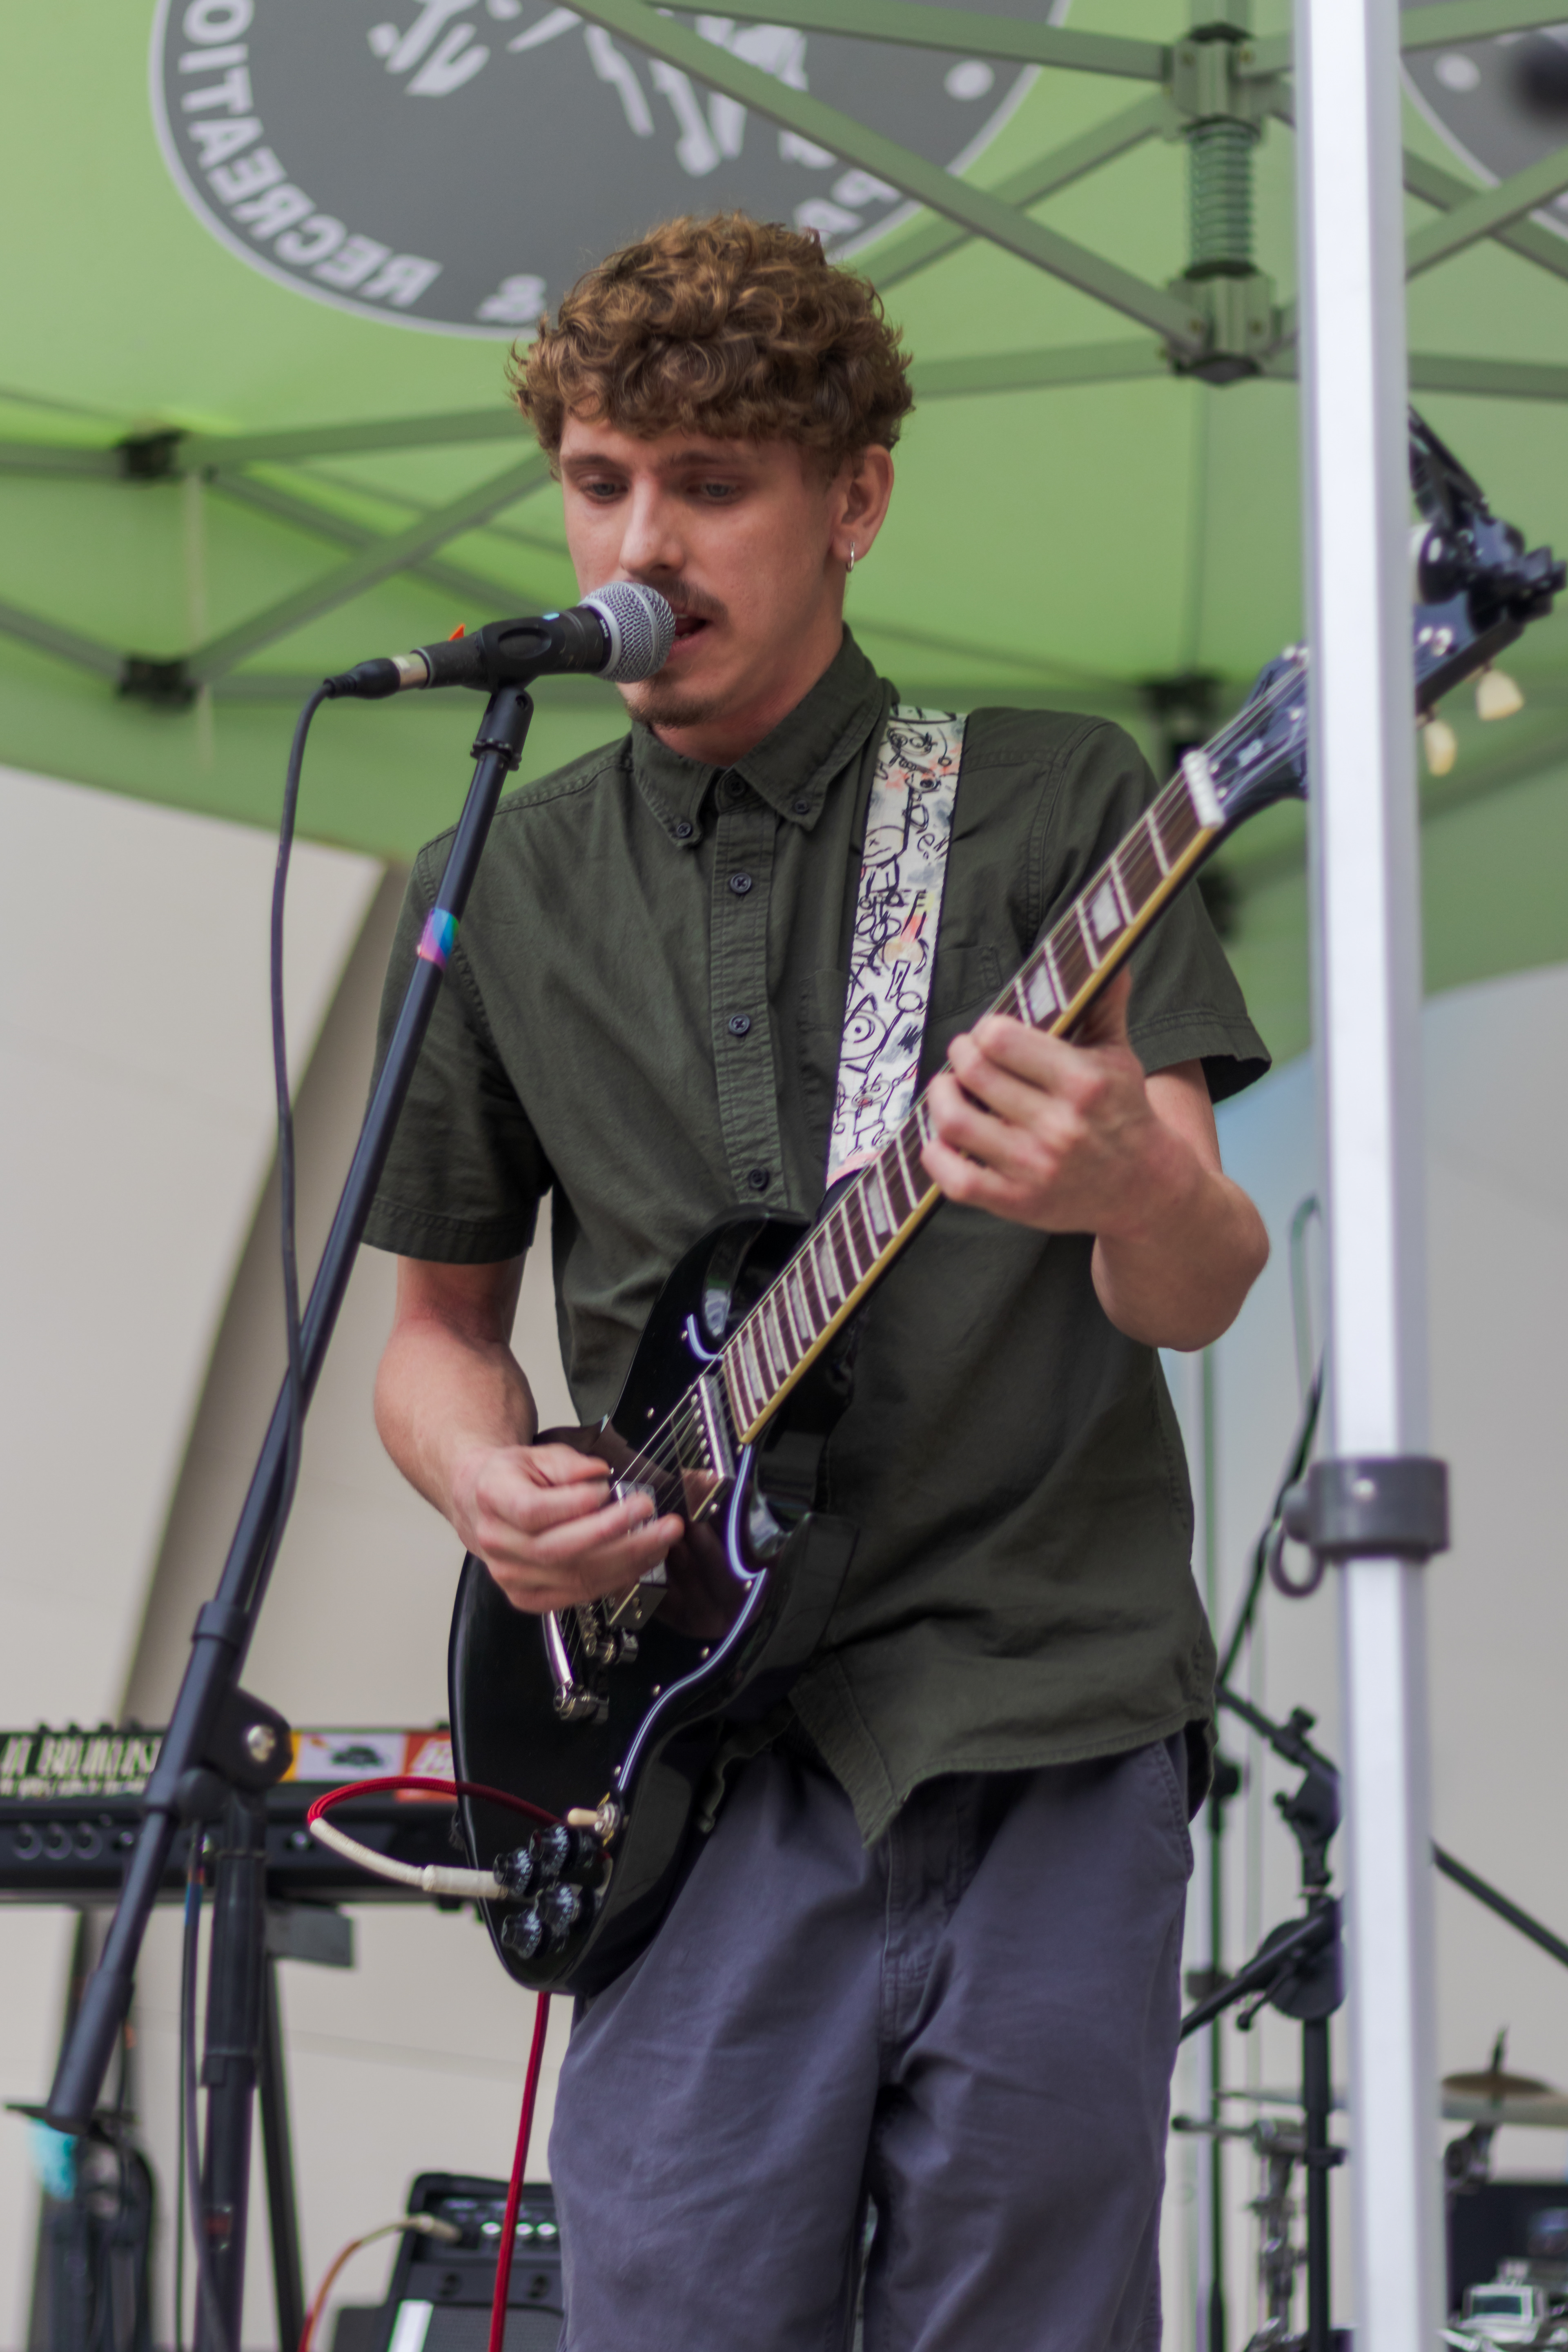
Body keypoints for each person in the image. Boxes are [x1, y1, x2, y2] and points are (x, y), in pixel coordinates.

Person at [365, 212, 1271, 2352]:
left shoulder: (1057, 801)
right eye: (603, 481)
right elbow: (431, 1343)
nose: (643, 539)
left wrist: (1127, 1170)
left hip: (1043, 1715)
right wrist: (485, 1488)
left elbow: (1199, 1285)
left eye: (713, 482)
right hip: (685, 1768)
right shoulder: (493, 878)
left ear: (855, 497)